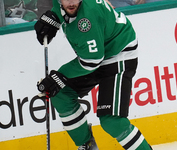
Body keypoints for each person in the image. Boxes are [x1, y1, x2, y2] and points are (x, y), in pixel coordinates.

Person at [34, 0, 153, 149]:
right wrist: (54, 16)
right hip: (96, 54)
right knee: (61, 93)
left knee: (112, 121)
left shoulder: (87, 17)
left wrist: (60, 75)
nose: (71, 2)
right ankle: (87, 145)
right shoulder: (66, 6)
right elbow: (92, 58)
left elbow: (91, 61)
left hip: (118, 53)